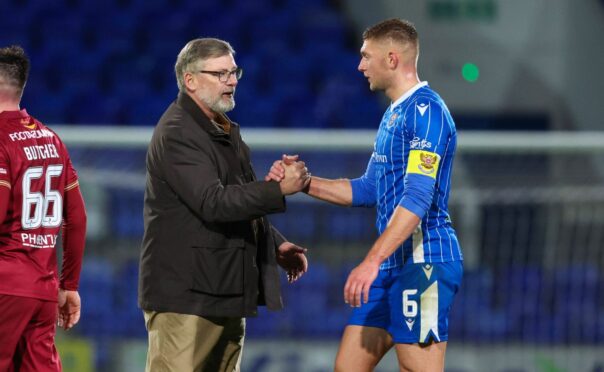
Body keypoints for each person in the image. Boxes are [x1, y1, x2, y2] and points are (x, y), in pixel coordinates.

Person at [267, 19, 463, 371]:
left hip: (425, 264)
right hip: (391, 266)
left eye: (365, 56)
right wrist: (306, 182)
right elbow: (369, 188)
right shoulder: (393, 114)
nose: (359, 65)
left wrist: (370, 261)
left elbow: (417, 199)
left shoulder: (428, 112)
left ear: (391, 59)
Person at [138, 37, 310, 372]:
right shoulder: (178, 132)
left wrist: (275, 243)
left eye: (234, 72)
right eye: (219, 74)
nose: (231, 81)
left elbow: (237, 198)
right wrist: (278, 191)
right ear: (190, 80)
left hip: (222, 288)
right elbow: (213, 202)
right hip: (187, 296)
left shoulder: (220, 128)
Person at [0, 45, 87, 372]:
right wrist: (70, 286)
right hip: (43, 288)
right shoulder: (52, 139)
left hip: (5, 283)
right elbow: (76, 218)